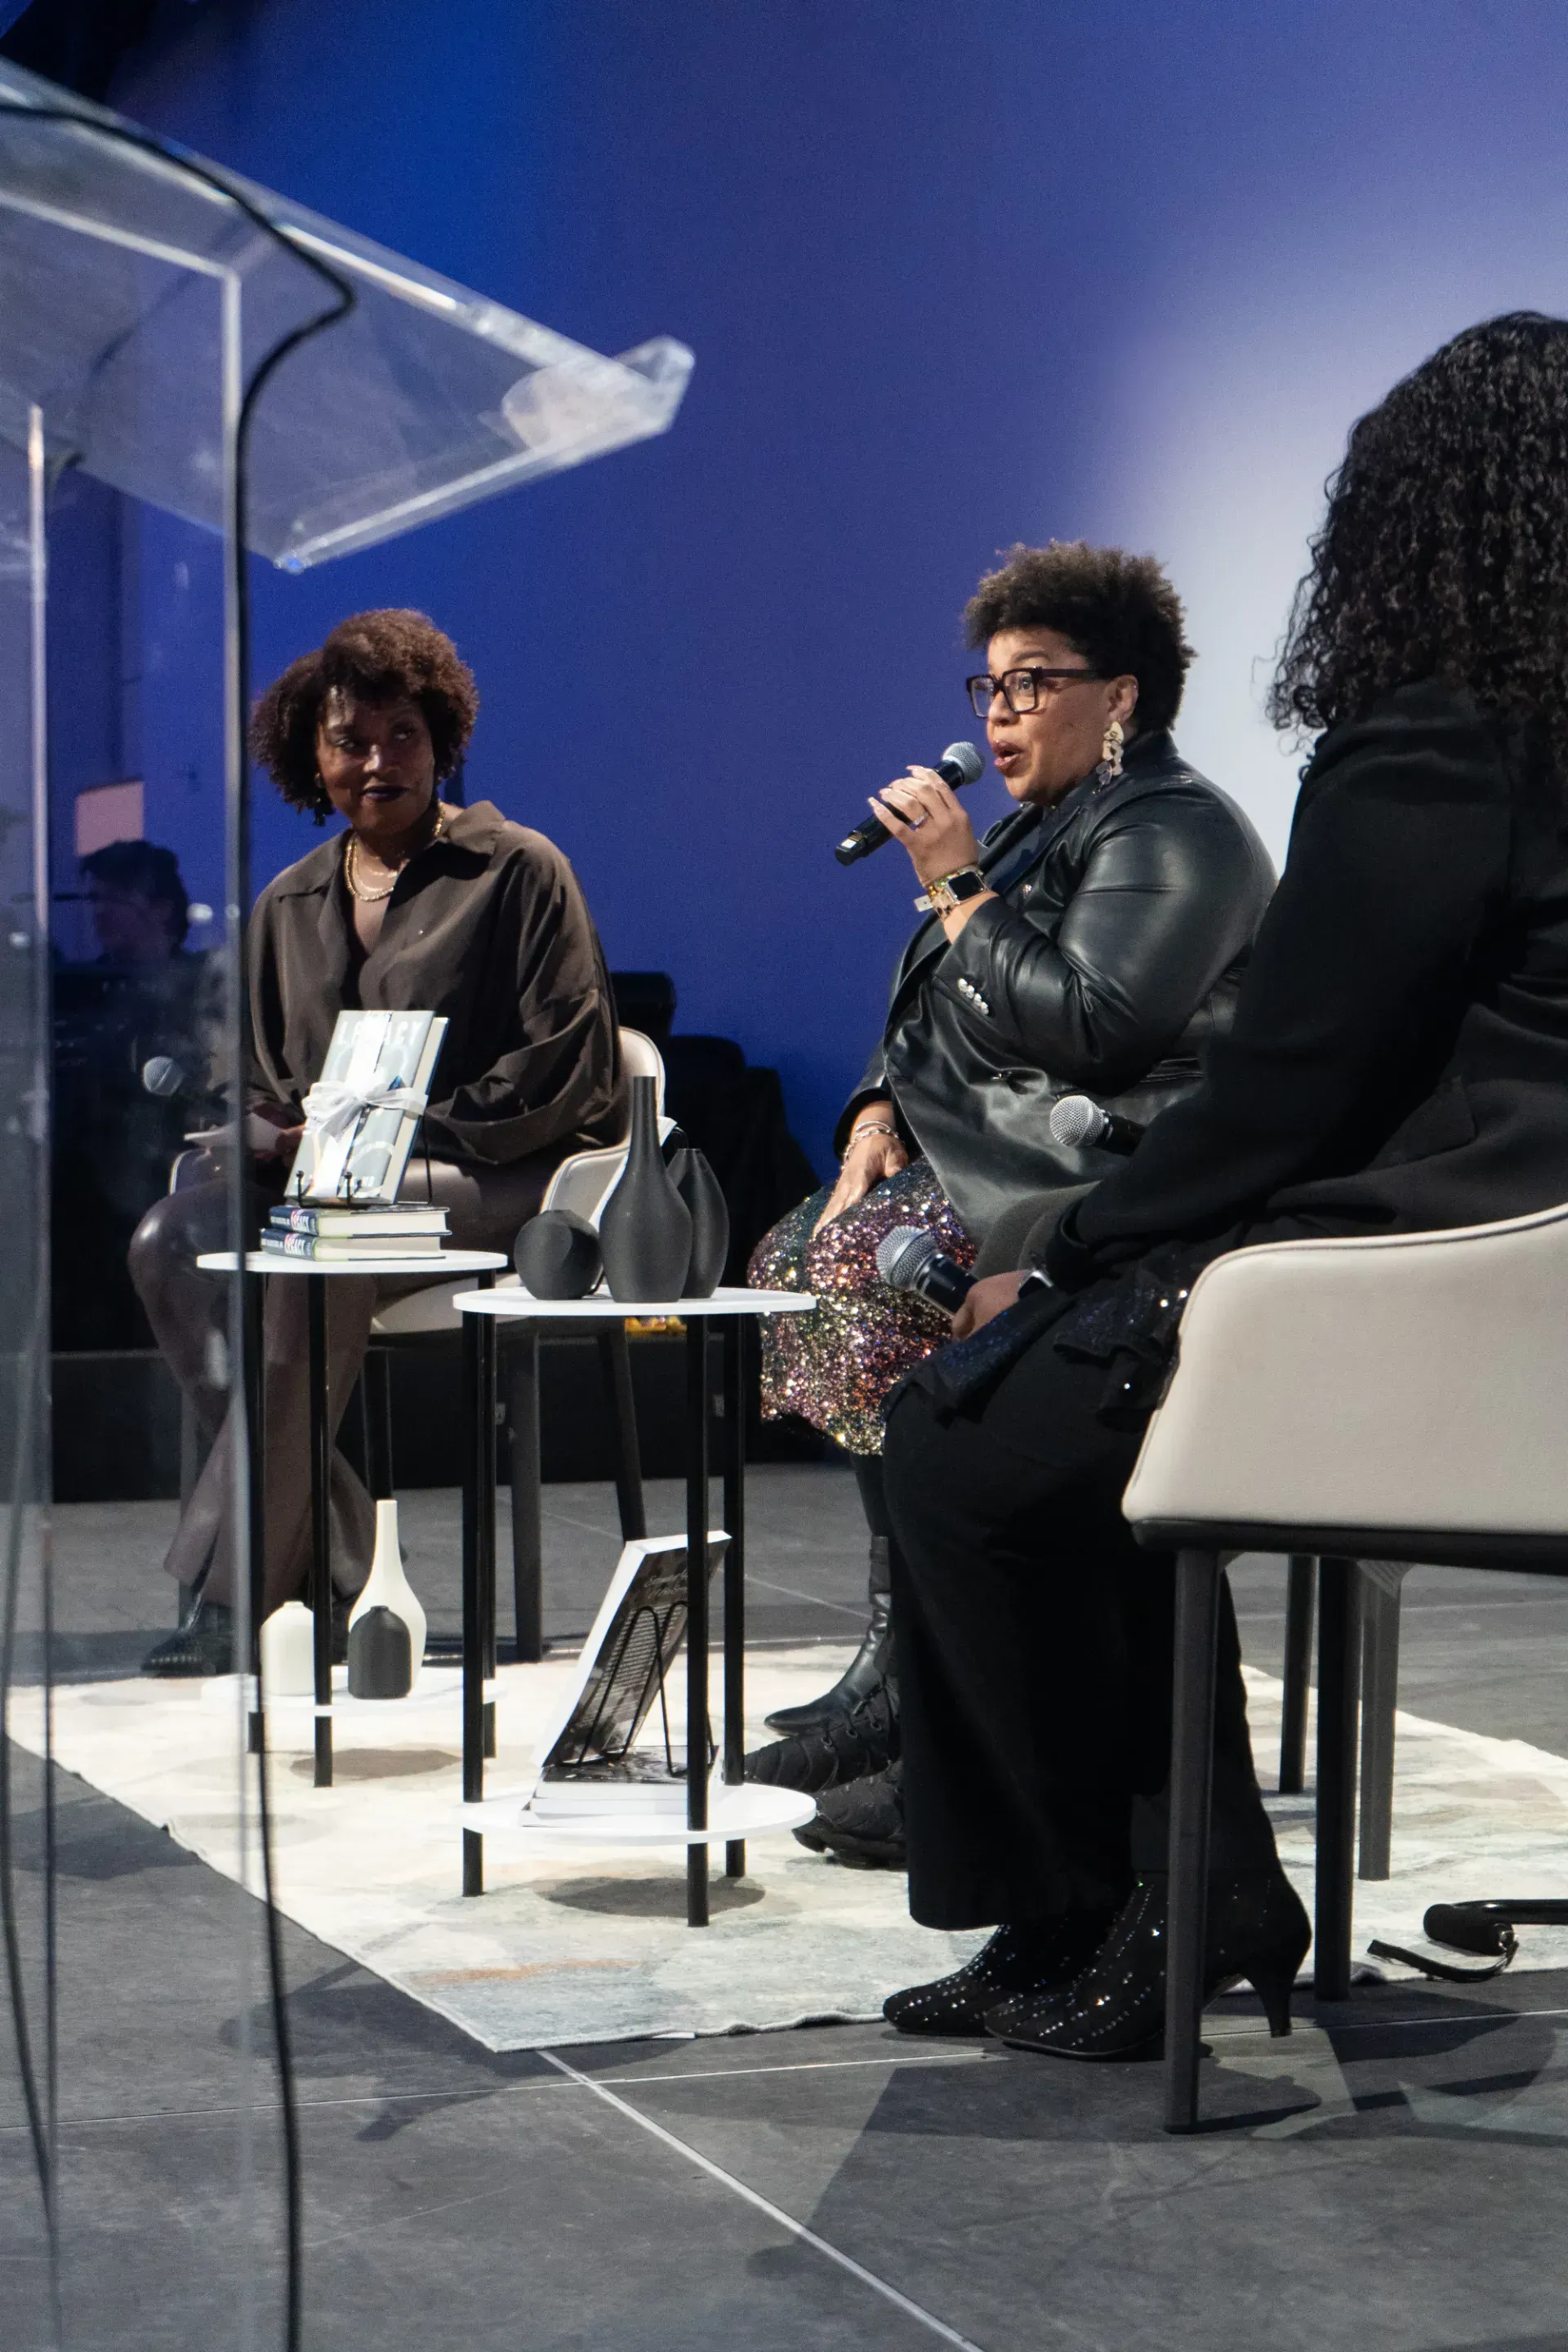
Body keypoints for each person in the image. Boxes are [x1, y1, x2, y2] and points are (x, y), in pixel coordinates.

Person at [877, 310, 1568, 2053]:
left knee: (963, 1438)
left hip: (1434, 1262)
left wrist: (1082, 1245)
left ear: (1418, 519)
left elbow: (1290, 1079)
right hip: (1508, 1265)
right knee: (1048, 1407)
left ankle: (1118, 1909)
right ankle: (1168, 1897)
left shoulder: (1439, 737)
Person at [746, 544, 1274, 1843]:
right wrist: (874, 1102)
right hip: (999, 1156)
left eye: (1034, 683)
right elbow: (940, 1001)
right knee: (800, 1252)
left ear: (1126, 697)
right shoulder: (1049, 826)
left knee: (879, 1272)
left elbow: (1095, 1024)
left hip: (1106, 1179)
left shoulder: (1177, 830)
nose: (997, 715)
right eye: (988, 686)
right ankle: (903, 1659)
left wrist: (955, 877)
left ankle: (945, 1703)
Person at [131, 609, 623, 1674]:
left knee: (324, 1244)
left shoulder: (518, 871)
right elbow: (266, 1073)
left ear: (441, 738)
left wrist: (396, 1131)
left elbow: (566, 1067)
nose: (376, 760)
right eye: (350, 740)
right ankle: (326, 1538)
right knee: (169, 1238)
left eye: (401, 735)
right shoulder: (287, 903)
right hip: (332, 1188)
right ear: (312, 754)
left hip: (500, 1177)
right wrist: (263, 1131)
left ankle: (235, 1593)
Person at [53, 841, 215, 1350]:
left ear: (162, 908)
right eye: (93, 899)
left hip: (158, 1190)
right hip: (80, 1206)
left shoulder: (201, 989)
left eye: (114, 898)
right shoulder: (78, 989)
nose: (98, 913)